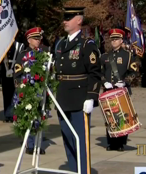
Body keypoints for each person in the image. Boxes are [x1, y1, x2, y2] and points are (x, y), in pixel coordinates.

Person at [54, 7, 101, 174]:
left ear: (79, 20)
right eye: (64, 17)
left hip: (80, 97)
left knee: (81, 140)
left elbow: (95, 72)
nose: (64, 21)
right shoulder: (60, 43)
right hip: (63, 97)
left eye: (69, 17)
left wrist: (91, 96)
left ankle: (84, 171)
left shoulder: (87, 44)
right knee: (67, 138)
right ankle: (75, 170)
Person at [100, 28, 138, 151]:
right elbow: (98, 72)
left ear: (121, 41)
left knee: (122, 117)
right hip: (108, 90)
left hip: (121, 90)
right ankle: (111, 142)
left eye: (116, 39)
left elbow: (134, 71)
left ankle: (121, 143)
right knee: (110, 117)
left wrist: (125, 82)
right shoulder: (105, 56)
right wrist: (104, 82)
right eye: (112, 39)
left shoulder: (128, 55)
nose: (114, 42)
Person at [14, 27, 47, 155]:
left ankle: (38, 144)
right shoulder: (23, 55)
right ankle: (30, 144)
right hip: (28, 90)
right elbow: (17, 73)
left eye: (39, 38)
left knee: (40, 117)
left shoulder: (44, 53)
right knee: (29, 117)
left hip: (41, 90)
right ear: (29, 40)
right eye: (35, 38)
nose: (38, 40)